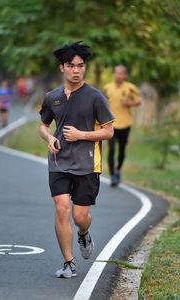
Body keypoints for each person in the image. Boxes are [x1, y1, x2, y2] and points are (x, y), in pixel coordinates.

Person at [39, 41, 114, 278]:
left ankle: (84, 233)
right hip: (59, 162)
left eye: (80, 66)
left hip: (87, 164)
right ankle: (68, 263)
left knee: (79, 217)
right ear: (62, 68)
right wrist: (49, 138)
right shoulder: (52, 97)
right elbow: (42, 125)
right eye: (71, 66)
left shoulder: (95, 97)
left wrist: (82, 135)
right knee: (62, 209)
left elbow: (109, 131)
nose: (76, 70)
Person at [104, 65, 141, 187]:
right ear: (114, 74)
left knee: (121, 150)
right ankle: (112, 175)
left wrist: (129, 103)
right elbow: (102, 101)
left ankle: (118, 170)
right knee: (111, 150)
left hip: (125, 124)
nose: (119, 75)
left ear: (125, 75)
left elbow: (138, 101)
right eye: (117, 73)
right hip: (111, 124)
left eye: (121, 73)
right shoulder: (107, 87)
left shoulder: (130, 88)